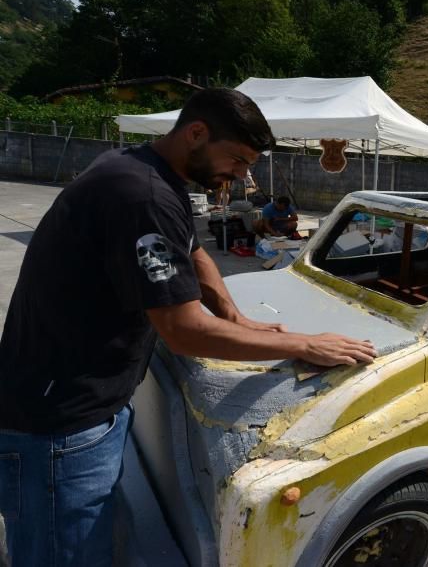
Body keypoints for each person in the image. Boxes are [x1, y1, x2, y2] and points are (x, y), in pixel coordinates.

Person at [0, 88, 376, 566]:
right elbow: (183, 330)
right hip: (58, 426)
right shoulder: (145, 195)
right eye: (238, 159)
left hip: (75, 405)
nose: (243, 175)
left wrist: (236, 318)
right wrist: (303, 342)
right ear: (196, 133)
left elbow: (192, 252)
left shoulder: (141, 167)